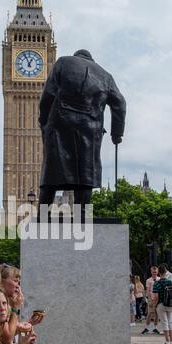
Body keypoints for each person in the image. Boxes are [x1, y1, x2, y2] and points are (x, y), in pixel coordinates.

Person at [38, 49, 126, 219]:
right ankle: (83, 214)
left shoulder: (63, 62)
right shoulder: (105, 76)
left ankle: (42, 214)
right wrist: (117, 134)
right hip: (91, 127)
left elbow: (47, 95)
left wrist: (44, 122)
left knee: (52, 169)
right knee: (86, 171)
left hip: (60, 123)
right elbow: (120, 104)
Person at [152, 265, 172, 344]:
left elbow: (156, 297)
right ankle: (171, 341)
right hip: (170, 304)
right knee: (170, 322)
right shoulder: (170, 282)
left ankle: (167, 342)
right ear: (166, 272)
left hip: (161, 304)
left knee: (164, 322)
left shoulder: (156, 283)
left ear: (159, 273)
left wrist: (154, 306)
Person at [141, 267, 160, 336]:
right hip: (151, 299)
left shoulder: (159, 279)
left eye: (155, 272)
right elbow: (148, 290)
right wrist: (150, 299)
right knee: (149, 313)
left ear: (157, 272)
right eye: (153, 272)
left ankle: (155, 328)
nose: (154, 273)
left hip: (158, 299)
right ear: (151, 272)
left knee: (157, 314)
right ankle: (147, 328)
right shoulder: (148, 280)